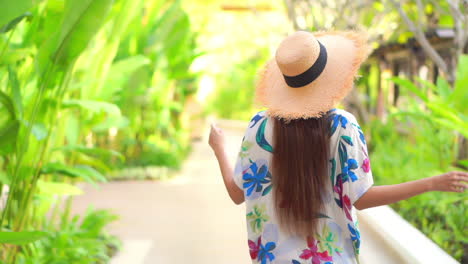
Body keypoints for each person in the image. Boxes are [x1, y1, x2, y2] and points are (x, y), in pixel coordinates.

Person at [208, 31, 467, 264]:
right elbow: (361, 198)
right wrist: (432, 183)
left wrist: (219, 149)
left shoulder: (259, 126)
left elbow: (237, 193)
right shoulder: (343, 126)